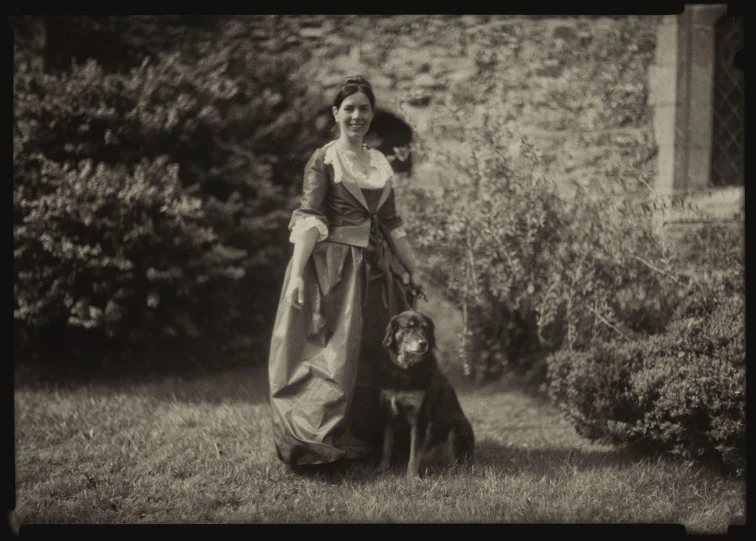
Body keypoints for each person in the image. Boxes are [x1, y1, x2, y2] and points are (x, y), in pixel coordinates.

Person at [268, 75, 421, 470]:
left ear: (372, 115)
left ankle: (370, 440)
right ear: (336, 114)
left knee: (375, 353)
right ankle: (320, 446)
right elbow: (309, 217)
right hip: (334, 271)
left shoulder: (379, 163)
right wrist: (298, 273)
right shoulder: (324, 159)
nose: (357, 115)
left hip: (375, 272)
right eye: (349, 108)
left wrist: (412, 269)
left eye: (364, 109)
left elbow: (391, 223)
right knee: (333, 355)